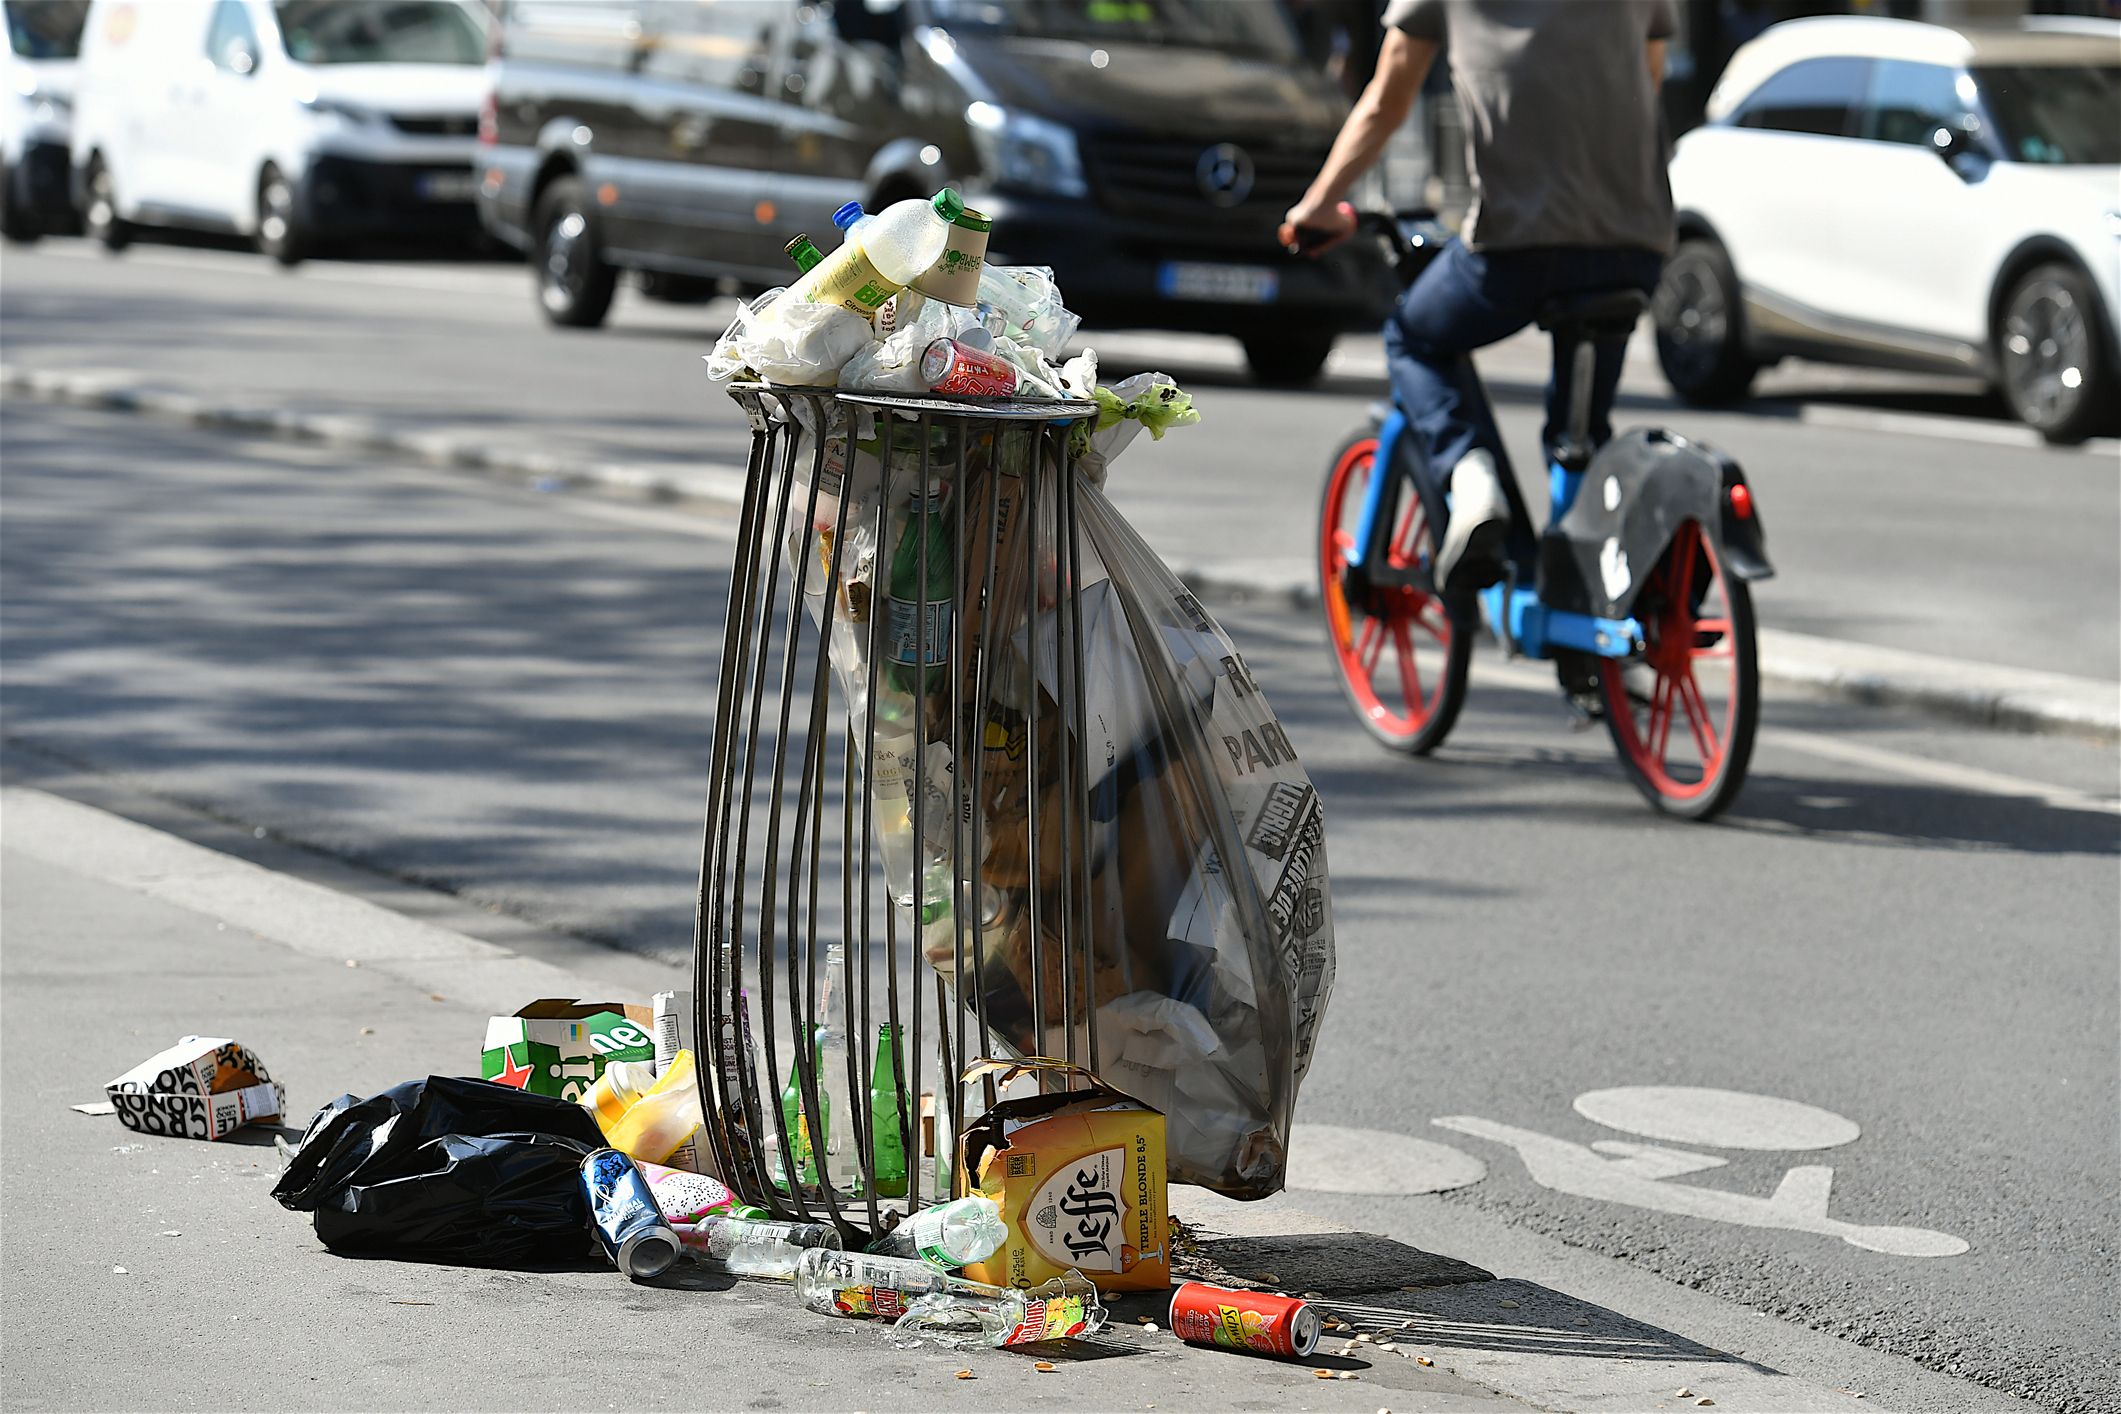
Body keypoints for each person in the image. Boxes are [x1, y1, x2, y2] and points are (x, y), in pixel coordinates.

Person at [1285, 0, 1675, 594]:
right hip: (1637, 243)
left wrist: (1318, 203)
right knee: (1581, 433)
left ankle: (1472, 480)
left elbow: (1387, 101)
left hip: (1519, 246)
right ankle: (1590, 614)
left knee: (1413, 337)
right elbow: (1648, 81)